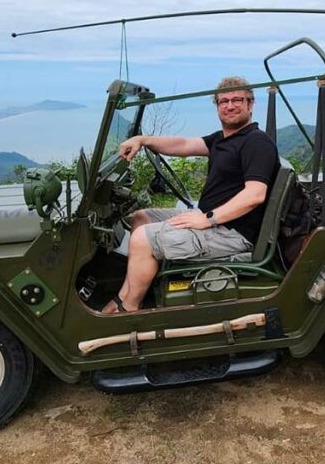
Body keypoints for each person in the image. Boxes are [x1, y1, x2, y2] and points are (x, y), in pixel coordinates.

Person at [100, 76, 279, 314]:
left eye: (237, 99)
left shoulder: (256, 143)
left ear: (250, 104)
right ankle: (128, 293)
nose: (230, 105)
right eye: (223, 101)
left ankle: (128, 311)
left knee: (143, 238)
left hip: (232, 233)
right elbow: (184, 144)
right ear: (217, 106)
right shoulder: (224, 138)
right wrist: (143, 140)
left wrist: (207, 219)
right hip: (212, 220)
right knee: (141, 218)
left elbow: (255, 195)